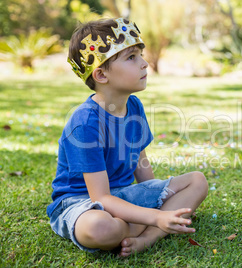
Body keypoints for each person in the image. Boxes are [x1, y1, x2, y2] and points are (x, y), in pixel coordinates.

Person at [46, 17, 208, 257]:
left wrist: (156, 197)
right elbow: (100, 197)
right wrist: (156, 214)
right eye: (131, 57)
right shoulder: (85, 122)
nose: (144, 64)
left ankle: (147, 238)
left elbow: (140, 163)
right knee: (100, 228)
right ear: (101, 75)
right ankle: (146, 225)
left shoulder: (134, 106)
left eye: (140, 55)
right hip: (81, 203)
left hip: (123, 195)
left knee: (197, 181)